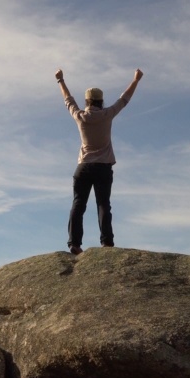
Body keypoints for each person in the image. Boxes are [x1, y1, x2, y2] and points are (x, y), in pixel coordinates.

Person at [55, 67, 143, 254]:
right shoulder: (107, 114)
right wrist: (135, 80)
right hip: (103, 167)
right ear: (101, 101)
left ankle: (75, 244)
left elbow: (68, 101)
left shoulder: (80, 116)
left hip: (84, 167)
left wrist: (60, 80)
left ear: (87, 101)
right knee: (103, 203)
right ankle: (107, 243)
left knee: (78, 204)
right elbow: (124, 99)